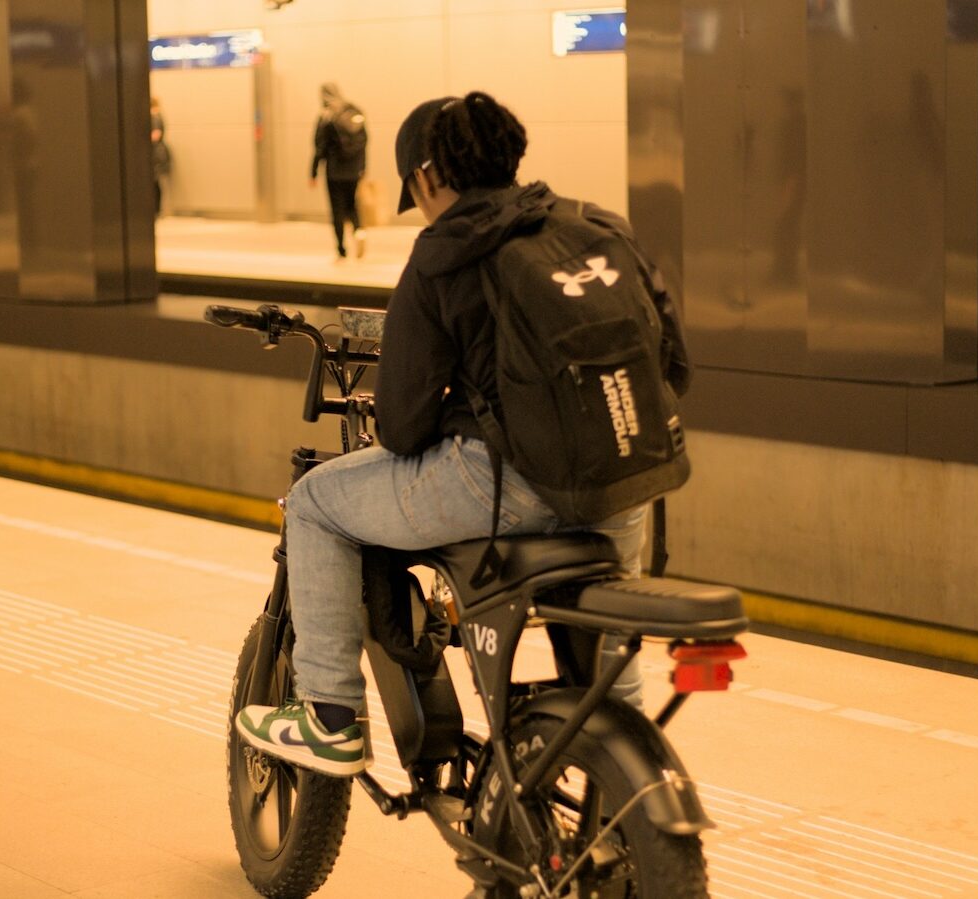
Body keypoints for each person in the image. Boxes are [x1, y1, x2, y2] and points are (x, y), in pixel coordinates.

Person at [237, 92, 691, 776]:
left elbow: (402, 425)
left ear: (425, 177)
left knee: (314, 503)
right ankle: (624, 795)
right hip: (626, 481)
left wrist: (465, 411)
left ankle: (328, 714)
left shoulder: (445, 251)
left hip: (512, 485)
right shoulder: (597, 224)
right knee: (610, 678)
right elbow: (674, 366)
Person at [311, 83, 367, 259]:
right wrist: (363, 167)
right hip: (354, 170)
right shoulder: (355, 113)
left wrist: (312, 172)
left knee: (337, 209)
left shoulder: (327, 117)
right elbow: (365, 141)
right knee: (352, 205)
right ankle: (359, 232)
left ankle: (341, 248)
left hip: (334, 171)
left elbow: (319, 146)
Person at [150, 98, 171, 215]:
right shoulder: (157, 116)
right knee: (156, 181)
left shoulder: (155, 117)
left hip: (156, 154)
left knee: (155, 181)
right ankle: (157, 209)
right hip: (159, 153)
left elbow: (155, 135)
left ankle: (156, 209)